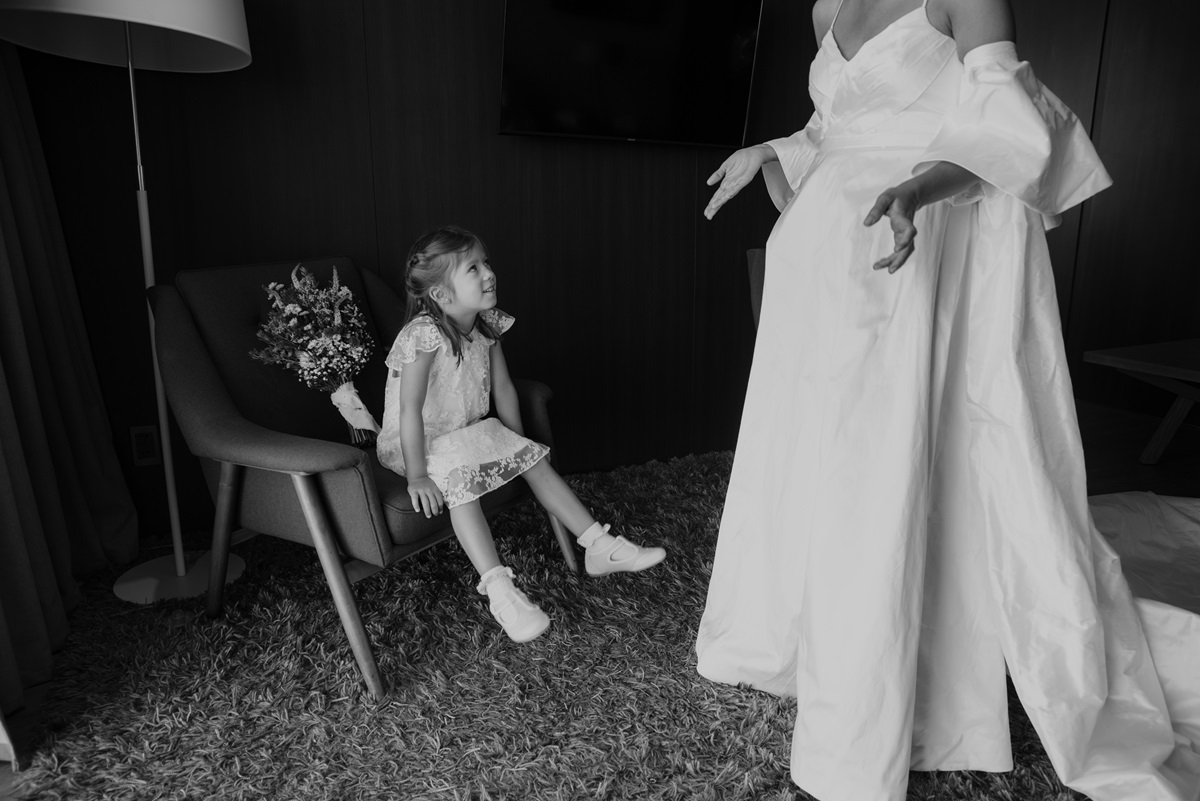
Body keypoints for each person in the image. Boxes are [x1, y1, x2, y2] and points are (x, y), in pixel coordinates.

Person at [694, 0, 1200, 799]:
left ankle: (871, 707)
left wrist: (921, 187)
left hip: (913, 245)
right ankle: (800, 641)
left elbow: (1011, 135)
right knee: (809, 445)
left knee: (877, 460)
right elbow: (838, 126)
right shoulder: (825, 5)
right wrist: (773, 149)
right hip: (820, 253)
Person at [377, 225, 666, 643]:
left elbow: (504, 389)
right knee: (460, 478)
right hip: (418, 443)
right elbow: (408, 410)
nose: (488, 274)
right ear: (440, 293)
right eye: (473, 269)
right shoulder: (423, 334)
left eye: (486, 263)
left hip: (466, 431)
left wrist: (518, 446)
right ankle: (500, 591)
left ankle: (598, 545)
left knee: (532, 456)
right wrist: (418, 475)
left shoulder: (486, 326)